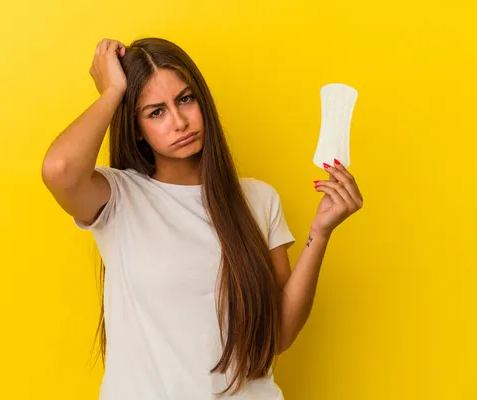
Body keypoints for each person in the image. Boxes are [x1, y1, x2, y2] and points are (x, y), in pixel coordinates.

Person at [41, 37, 363, 399]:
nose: (179, 122)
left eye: (185, 99)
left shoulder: (257, 199)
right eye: (155, 112)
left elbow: (278, 336)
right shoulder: (119, 198)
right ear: (136, 128)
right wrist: (112, 91)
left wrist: (319, 234)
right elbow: (60, 169)